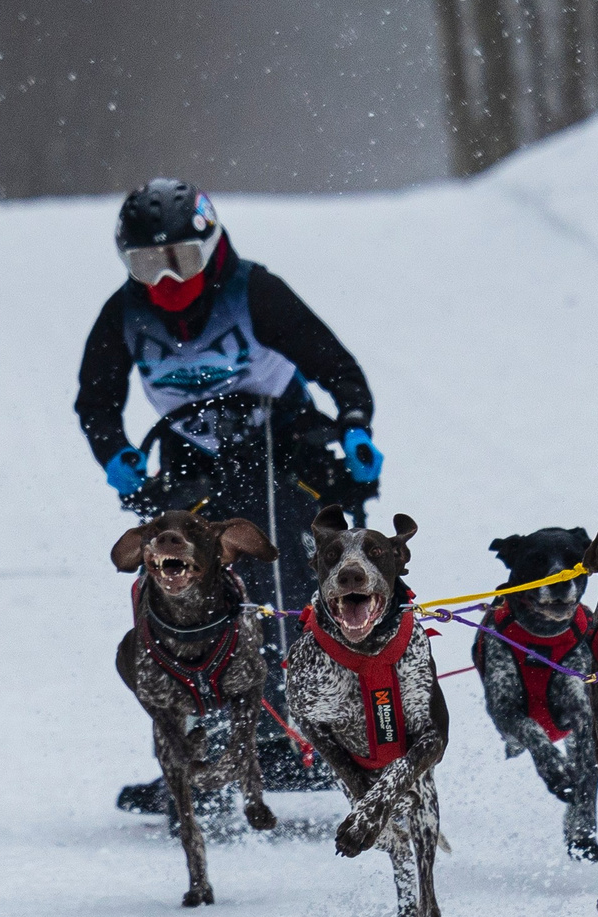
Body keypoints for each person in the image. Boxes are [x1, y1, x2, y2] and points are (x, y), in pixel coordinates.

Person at [77, 178, 384, 812]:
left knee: (294, 584)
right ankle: (198, 753)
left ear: (211, 244)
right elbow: (96, 404)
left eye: (181, 260)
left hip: (281, 442)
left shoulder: (256, 292)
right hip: (189, 458)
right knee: (189, 601)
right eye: (146, 266)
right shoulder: (124, 315)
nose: (166, 282)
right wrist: (118, 460)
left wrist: (354, 425)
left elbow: (339, 369)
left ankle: (308, 735)